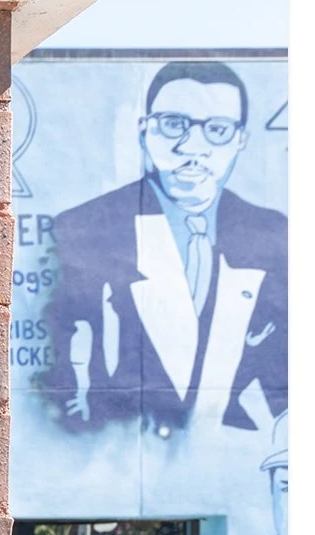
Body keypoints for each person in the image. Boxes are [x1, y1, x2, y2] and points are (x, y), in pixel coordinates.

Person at [45, 61, 286, 436]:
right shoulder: (83, 227)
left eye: (217, 130)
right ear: (145, 131)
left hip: (232, 472)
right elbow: (61, 378)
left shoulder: (275, 236)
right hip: (108, 465)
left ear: (241, 139)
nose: (192, 147)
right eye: (173, 124)